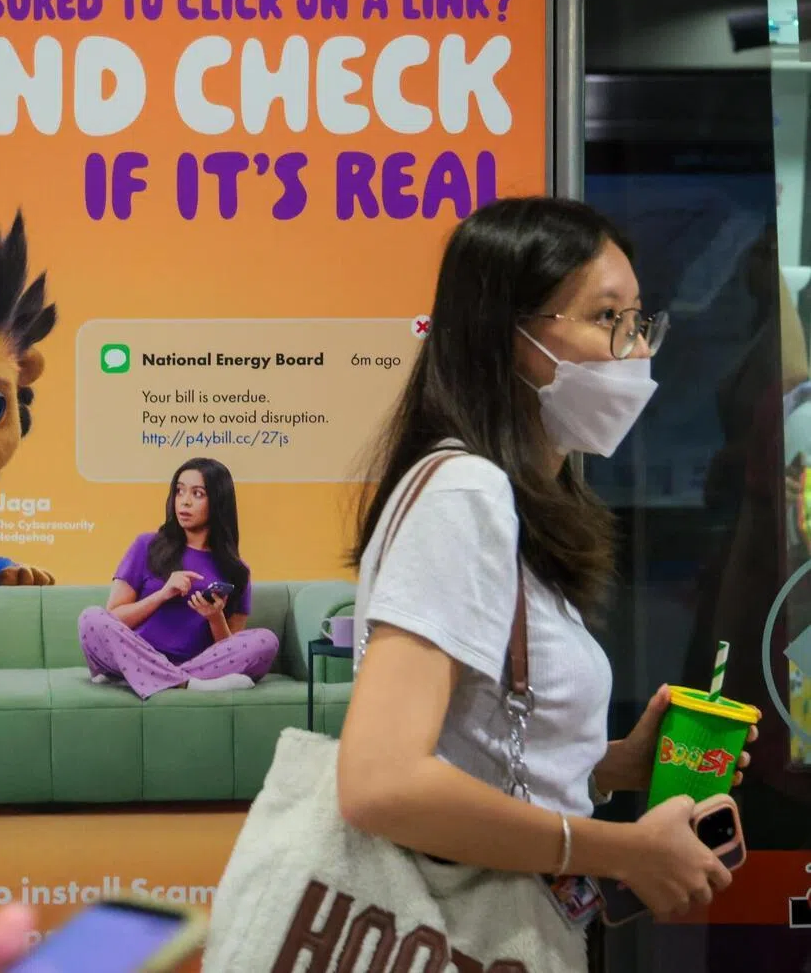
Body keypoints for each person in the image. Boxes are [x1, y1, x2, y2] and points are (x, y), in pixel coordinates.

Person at [335, 197, 758, 942]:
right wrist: (621, 849)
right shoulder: (467, 492)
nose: (636, 350)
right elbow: (382, 782)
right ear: (514, 336)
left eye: (639, 320)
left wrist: (609, 764)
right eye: (606, 319)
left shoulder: (510, 499)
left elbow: (475, 755)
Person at [78, 457, 279, 698]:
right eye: (180, 491)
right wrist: (162, 595)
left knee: (266, 641)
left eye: (197, 494)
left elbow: (230, 649)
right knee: (91, 617)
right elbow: (115, 618)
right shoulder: (146, 545)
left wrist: (215, 618)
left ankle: (158, 679)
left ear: (218, 501)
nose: (184, 501)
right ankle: (181, 683)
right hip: (132, 654)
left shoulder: (237, 571)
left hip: (195, 664)